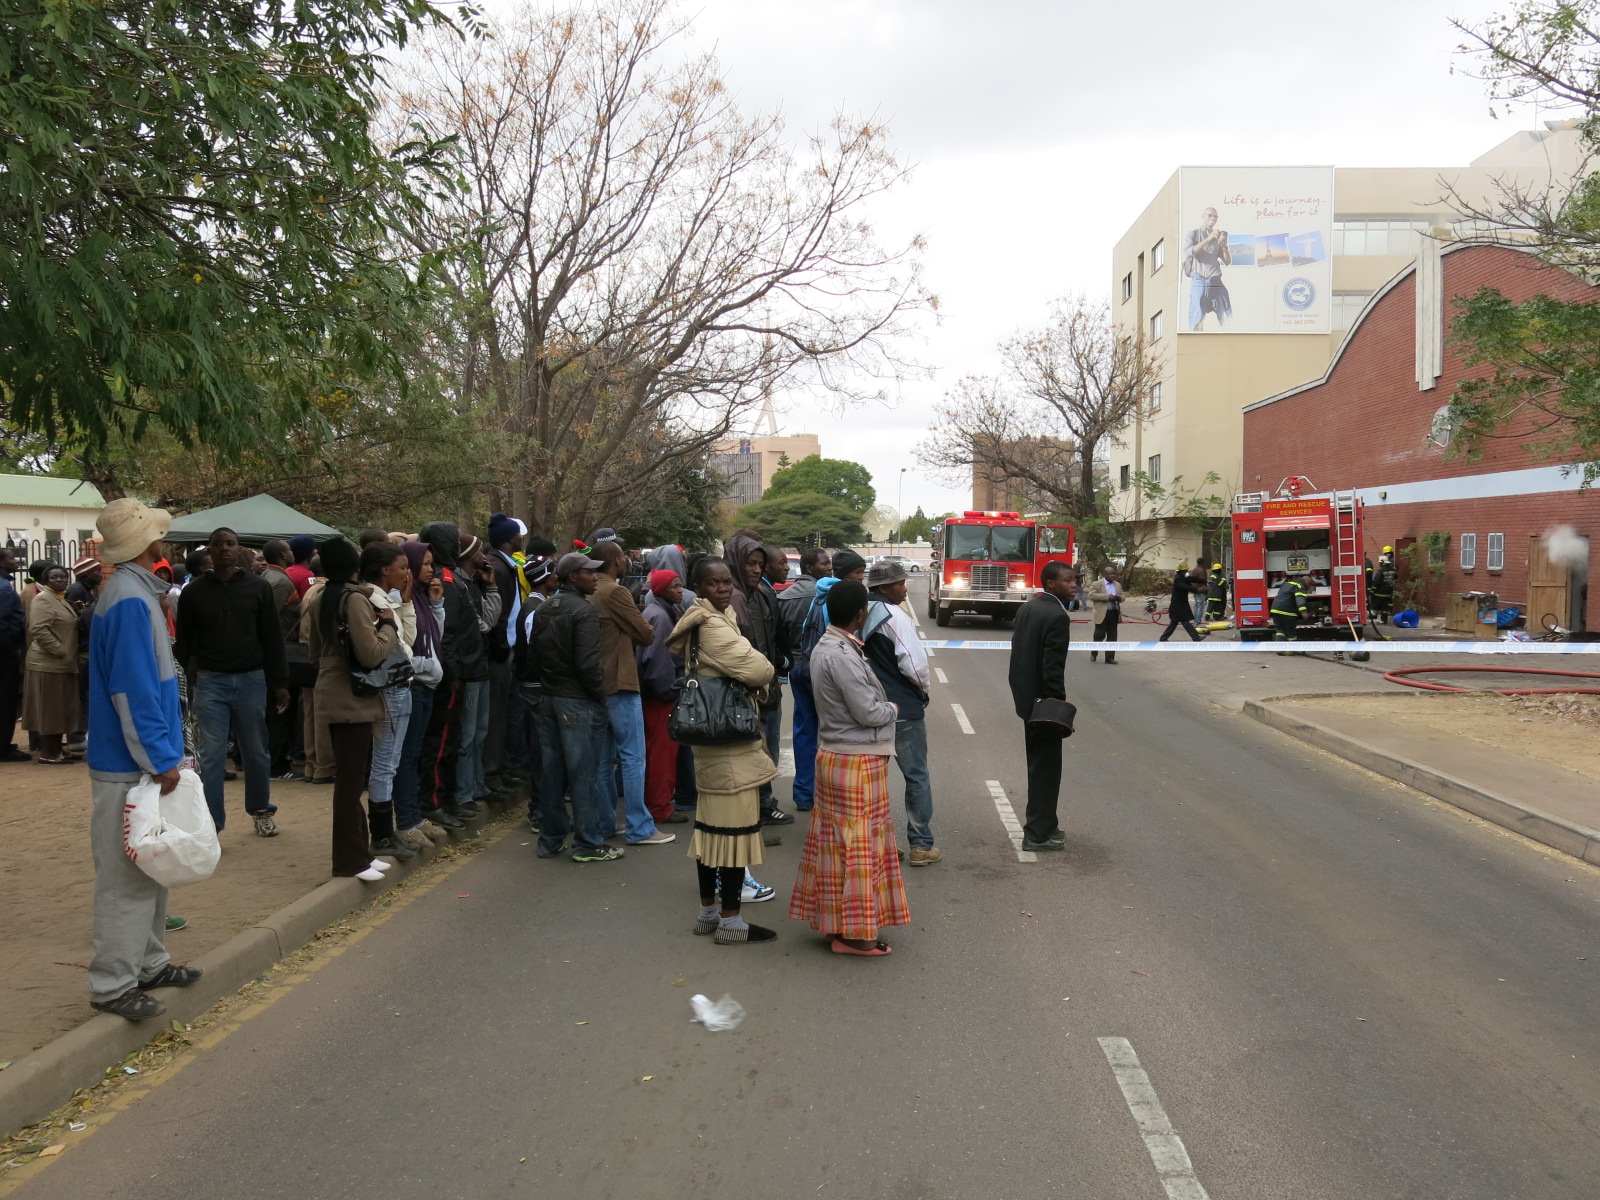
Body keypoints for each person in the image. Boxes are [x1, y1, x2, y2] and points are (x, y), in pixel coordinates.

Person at [86, 498, 202, 1020]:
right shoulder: (131, 599)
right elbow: (132, 692)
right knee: (128, 878)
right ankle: (113, 984)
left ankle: (150, 963)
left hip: (137, 759)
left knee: (150, 870)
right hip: (131, 763)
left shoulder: (131, 592)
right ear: (147, 543)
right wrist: (161, 758)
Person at [789, 579, 909, 956]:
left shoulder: (831, 647)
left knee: (837, 848)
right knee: (858, 850)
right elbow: (867, 711)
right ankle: (857, 936)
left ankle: (838, 926)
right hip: (854, 760)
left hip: (839, 756)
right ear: (860, 614)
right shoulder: (840, 654)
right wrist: (892, 709)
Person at [668, 558, 779, 944]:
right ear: (697, 588)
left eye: (726, 581)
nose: (723, 588)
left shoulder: (710, 619)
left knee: (711, 835)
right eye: (714, 583)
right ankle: (731, 923)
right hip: (730, 744)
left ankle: (708, 915)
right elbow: (759, 669)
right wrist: (759, 674)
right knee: (733, 837)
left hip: (712, 741)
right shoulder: (712, 625)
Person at [174, 527, 289, 836]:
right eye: (217, 544)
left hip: (251, 678)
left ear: (239, 550)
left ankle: (261, 810)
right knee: (211, 755)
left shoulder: (257, 588)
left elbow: (271, 637)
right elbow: (184, 642)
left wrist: (280, 682)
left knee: (255, 750)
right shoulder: (194, 592)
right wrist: (188, 680)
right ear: (209, 551)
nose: (223, 549)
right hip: (210, 681)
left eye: (230, 544)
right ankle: (212, 825)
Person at [305, 537, 400, 881]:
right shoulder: (355, 600)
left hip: (332, 690)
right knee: (349, 781)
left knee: (351, 776)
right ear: (355, 568)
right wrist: (388, 626)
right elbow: (371, 653)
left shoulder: (319, 599)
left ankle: (361, 852)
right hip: (352, 696)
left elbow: (314, 652)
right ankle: (348, 860)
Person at [531, 552, 618, 862]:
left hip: (550, 698)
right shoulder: (584, 611)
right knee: (584, 775)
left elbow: (534, 656)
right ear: (571, 578)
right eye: (587, 572)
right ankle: (587, 843)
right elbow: (588, 664)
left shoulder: (545, 608)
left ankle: (551, 839)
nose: (594, 576)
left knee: (552, 773)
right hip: (578, 700)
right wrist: (599, 698)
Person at [591, 540, 670, 845]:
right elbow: (646, 633)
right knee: (633, 756)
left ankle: (605, 821)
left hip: (596, 684)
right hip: (621, 681)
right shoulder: (615, 591)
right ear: (615, 562)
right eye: (622, 556)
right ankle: (639, 826)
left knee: (603, 759)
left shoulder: (588, 590)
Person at [862, 560, 938, 865]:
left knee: (872, 782)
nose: (905, 589)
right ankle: (921, 845)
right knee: (916, 776)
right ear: (883, 588)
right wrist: (923, 693)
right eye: (899, 584)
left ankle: (880, 845)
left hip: (867, 709)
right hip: (902, 710)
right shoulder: (894, 616)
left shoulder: (856, 613)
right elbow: (914, 664)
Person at [416, 522, 487, 826]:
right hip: (449, 674)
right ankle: (432, 803)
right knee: (439, 741)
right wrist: (454, 672)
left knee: (452, 740)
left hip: (461, 670)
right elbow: (446, 633)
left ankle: (447, 798)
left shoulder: (450, 577)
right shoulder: (440, 580)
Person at [361, 541, 426, 861]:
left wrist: (407, 603)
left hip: (401, 685)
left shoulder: (389, 600)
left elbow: (407, 643)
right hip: (390, 688)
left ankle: (387, 833)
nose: (407, 573)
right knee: (385, 763)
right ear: (385, 570)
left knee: (392, 760)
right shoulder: (371, 599)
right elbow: (387, 647)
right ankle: (383, 834)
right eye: (402, 568)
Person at [723, 530, 790, 834]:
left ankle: (761, 807)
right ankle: (752, 818)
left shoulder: (759, 593)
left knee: (765, 751)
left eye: (759, 564)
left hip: (764, 688)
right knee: (750, 756)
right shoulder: (733, 597)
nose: (756, 569)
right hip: (745, 692)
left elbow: (771, 639)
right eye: (750, 563)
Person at [786, 549, 861, 812]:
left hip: (798, 666)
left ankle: (804, 793)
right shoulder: (837, 596)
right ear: (809, 567)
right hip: (826, 669)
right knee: (835, 732)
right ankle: (832, 794)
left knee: (804, 730)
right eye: (824, 562)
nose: (829, 566)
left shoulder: (786, 596)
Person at [1008, 560, 1074, 851]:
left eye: (1075, 580)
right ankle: (1037, 833)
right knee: (1047, 771)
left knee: (1039, 767)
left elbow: (1018, 658)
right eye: (1068, 580)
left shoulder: (1028, 608)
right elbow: (1052, 668)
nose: (1074, 585)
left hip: (1026, 701)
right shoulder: (1057, 616)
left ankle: (1046, 823)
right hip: (1044, 707)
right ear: (1050, 584)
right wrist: (1055, 707)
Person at [392, 540, 450, 846]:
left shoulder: (424, 598)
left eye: (432, 563)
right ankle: (405, 820)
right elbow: (401, 649)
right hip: (411, 686)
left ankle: (414, 816)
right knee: (406, 756)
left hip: (427, 686)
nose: (431, 569)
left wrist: (437, 604)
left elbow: (433, 638)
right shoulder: (399, 599)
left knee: (416, 755)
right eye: (425, 564)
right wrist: (429, 667)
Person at [451, 534, 501, 813]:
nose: (484, 555)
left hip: (479, 665)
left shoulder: (473, 584)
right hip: (469, 667)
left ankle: (477, 784)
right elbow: (484, 625)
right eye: (480, 550)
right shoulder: (459, 585)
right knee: (467, 735)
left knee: (480, 732)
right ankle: (463, 792)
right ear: (469, 555)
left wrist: (490, 587)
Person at [638, 568, 689, 827]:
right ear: (661, 590)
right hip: (661, 697)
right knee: (662, 754)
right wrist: (670, 690)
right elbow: (657, 660)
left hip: (657, 694)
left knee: (657, 752)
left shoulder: (661, 611)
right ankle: (659, 807)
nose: (679, 590)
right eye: (674, 586)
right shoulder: (660, 617)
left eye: (680, 586)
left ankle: (658, 803)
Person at [512, 553, 558, 836]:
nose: (556, 577)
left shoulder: (540, 605)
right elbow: (533, 652)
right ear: (543, 578)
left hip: (536, 687)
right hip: (535, 690)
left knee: (545, 752)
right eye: (552, 573)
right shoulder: (534, 610)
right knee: (542, 753)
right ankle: (539, 812)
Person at [484, 512, 526, 791]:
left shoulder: (507, 565)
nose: (522, 538)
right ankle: (493, 773)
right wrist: (502, 649)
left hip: (509, 650)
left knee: (509, 713)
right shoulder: (498, 568)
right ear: (511, 539)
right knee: (496, 716)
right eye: (519, 535)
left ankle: (507, 765)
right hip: (501, 652)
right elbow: (499, 617)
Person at [23, 563, 80, 764]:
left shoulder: (59, 599)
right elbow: (38, 629)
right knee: (49, 709)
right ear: (46, 580)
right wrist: (60, 650)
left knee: (59, 708)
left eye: (63, 577)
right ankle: (48, 753)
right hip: (47, 664)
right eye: (54, 577)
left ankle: (57, 749)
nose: (59, 580)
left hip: (61, 664)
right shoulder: (43, 599)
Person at [1183, 205, 1232, 331]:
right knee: (1197, 312)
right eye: (1210, 215)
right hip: (1199, 278)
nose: (1212, 218)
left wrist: (1224, 246)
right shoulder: (1193, 234)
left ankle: (1231, 339)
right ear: (1203, 216)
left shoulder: (1218, 236)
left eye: (1215, 216)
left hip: (1215, 278)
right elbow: (1189, 252)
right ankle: (1195, 342)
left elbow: (1227, 261)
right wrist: (1208, 239)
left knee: (1224, 309)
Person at [0, 546, 25, 762]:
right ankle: (3, 747)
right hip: (5, 654)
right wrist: (12, 649)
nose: (16, 561)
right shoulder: (5, 589)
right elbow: (5, 624)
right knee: (6, 700)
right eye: (12, 558)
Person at [1085, 565, 1124, 664]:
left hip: (1113, 613)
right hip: (1101, 613)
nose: (1113, 576)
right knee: (1099, 635)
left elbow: (1123, 596)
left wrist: (1119, 598)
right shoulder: (1097, 584)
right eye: (1110, 574)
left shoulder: (1117, 585)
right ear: (1105, 574)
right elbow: (1091, 595)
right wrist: (1107, 597)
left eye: (1114, 574)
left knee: (1112, 636)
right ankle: (1094, 654)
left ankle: (1109, 658)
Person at [1158, 564, 1205, 643]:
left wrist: (1205, 581)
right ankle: (1195, 637)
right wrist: (1198, 590)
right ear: (1182, 571)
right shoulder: (1178, 580)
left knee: (1175, 622)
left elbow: (1192, 579)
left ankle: (1163, 638)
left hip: (1181, 604)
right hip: (1177, 605)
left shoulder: (1183, 578)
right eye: (1186, 570)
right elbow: (1186, 587)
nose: (1187, 572)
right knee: (1184, 621)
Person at [1271, 572, 1312, 650]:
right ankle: (1293, 650)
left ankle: (1279, 649)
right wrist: (1304, 613)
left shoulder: (1287, 584)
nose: (1309, 586)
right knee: (1290, 631)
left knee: (1280, 630)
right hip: (1287, 612)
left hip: (1275, 610)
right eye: (1309, 583)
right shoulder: (1299, 586)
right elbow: (1300, 600)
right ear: (1305, 582)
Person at [1369, 549, 1397, 624]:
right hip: (1388, 592)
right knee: (1385, 607)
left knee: (1374, 605)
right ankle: (1384, 620)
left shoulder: (1381, 571)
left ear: (1382, 562)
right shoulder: (1393, 570)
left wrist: (1372, 590)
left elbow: (1377, 581)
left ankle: (1373, 618)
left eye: (1379, 562)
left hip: (1379, 593)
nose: (1379, 563)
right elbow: (1396, 578)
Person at [285, 535, 316, 600]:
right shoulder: (307, 576)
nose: (316, 551)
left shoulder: (287, 570)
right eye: (314, 549)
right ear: (309, 553)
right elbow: (309, 603)